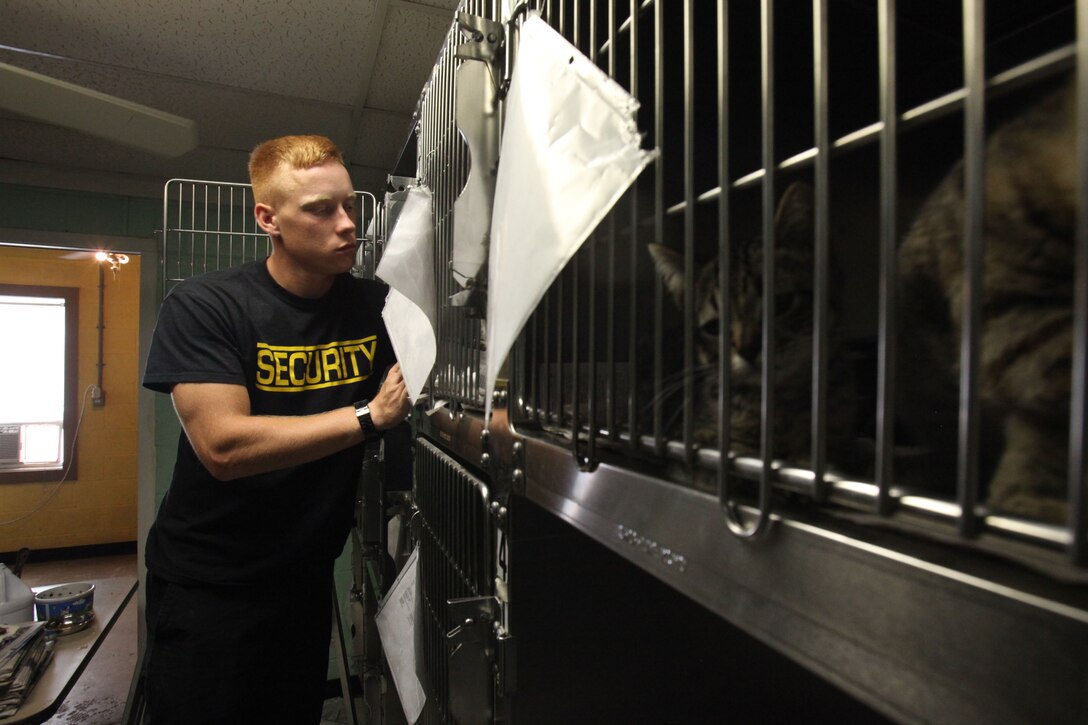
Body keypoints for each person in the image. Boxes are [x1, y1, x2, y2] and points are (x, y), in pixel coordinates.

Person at [140, 134, 412, 724]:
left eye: (349, 206)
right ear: (269, 218)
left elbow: (441, 387)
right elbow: (224, 447)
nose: (347, 225)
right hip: (209, 583)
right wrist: (368, 418)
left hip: (304, 578)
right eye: (320, 209)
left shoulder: (377, 308)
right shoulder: (206, 305)